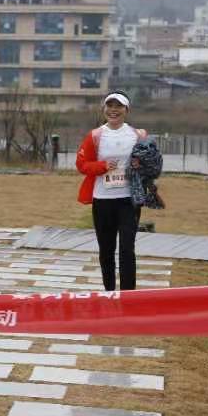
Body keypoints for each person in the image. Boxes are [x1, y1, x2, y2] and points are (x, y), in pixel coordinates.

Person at [75, 91, 147, 291]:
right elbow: (82, 164)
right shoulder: (95, 136)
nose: (114, 110)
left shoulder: (137, 135)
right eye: (110, 106)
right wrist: (103, 166)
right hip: (103, 200)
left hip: (129, 200)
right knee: (106, 250)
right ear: (104, 109)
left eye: (119, 106)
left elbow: (150, 164)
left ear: (127, 110)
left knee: (126, 248)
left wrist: (140, 165)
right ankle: (109, 292)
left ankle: (128, 295)